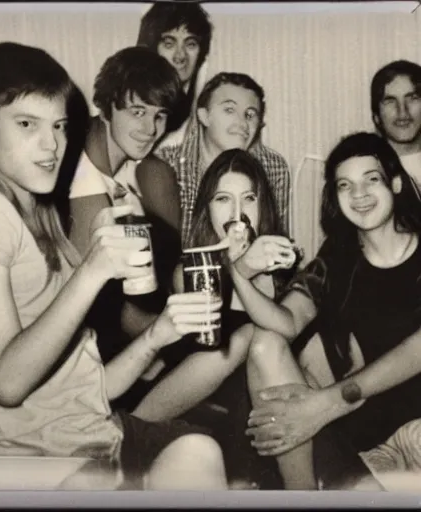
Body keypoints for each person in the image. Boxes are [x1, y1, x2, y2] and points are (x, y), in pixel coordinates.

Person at [0, 41, 228, 490]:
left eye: (59, 125)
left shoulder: (31, 208)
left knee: (200, 449)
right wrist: (93, 269)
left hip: (88, 433)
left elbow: (85, 387)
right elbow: (6, 381)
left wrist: (159, 334)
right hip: (38, 457)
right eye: (27, 124)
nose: (52, 145)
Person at [241, 132, 421, 490]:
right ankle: (302, 494)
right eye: (345, 185)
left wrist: (328, 402)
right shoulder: (336, 259)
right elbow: (286, 323)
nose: (359, 195)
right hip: (371, 436)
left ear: (396, 184)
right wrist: (238, 270)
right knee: (265, 343)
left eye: (372, 180)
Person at [132, 149, 297, 488]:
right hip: (181, 406)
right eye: (223, 199)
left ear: (262, 205)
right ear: (207, 209)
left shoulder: (283, 271)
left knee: (265, 340)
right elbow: (204, 301)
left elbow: (289, 333)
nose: (238, 211)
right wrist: (242, 266)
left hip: (252, 415)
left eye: (249, 198)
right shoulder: (189, 266)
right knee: (250, 332)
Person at [67, 47, 185, 376]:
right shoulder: (83, 180)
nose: (150, 128)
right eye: (137, 111)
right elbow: (91, 307)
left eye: (159, 115)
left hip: (137, 328)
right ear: (107, 108)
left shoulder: (137, 168)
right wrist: (169, 336)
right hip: (90, 351)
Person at [158, 72, 291, 244]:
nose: (242, 123)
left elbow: (271, 238)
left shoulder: (272, 167)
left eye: (250, 114)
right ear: (204, 116)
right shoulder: (166, 165)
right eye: (229, 110)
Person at [136, 2, 213, 151]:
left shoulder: (192, 110)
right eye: (169, 44)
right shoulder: (133, 100)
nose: (180, 56)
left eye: (190, 44)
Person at [371, 60, 421, 196]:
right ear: (376, 116)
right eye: (390, 101)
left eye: (412, 98)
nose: (402, 111)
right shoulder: (368, 171)